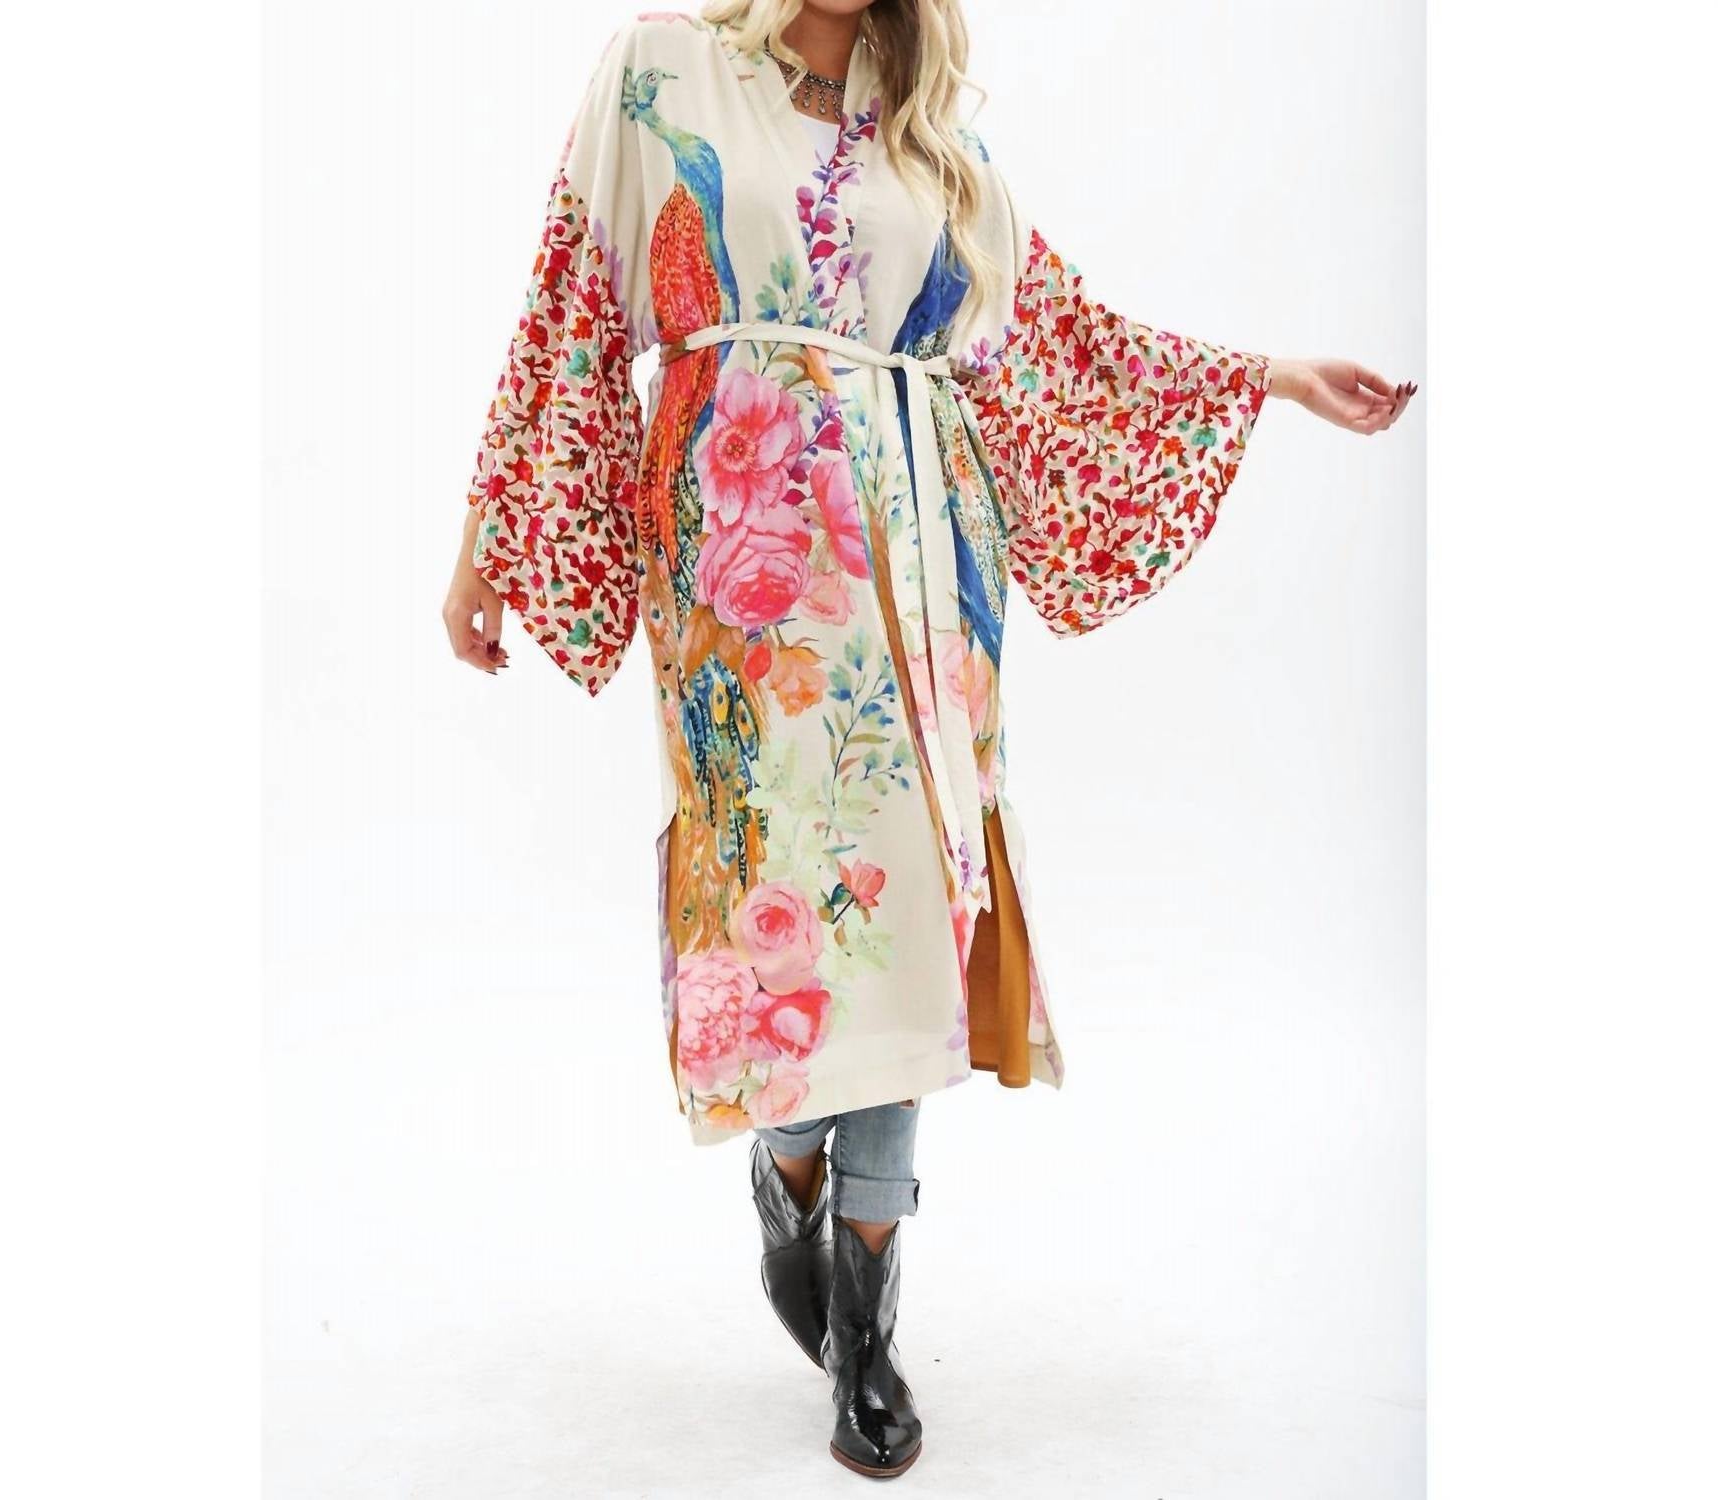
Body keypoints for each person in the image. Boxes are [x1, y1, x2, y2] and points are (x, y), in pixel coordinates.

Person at [441, 0, 1413, 1480]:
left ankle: (869, 1309)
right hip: (744, 577)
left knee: (906, 915)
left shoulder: (930, 132)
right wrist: (481, 550)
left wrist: (1269, 375)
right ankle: (788, 1163)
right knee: (778, 912)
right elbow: (564, 310)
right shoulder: (666, 67)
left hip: (924, 573)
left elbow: (1060, 341)